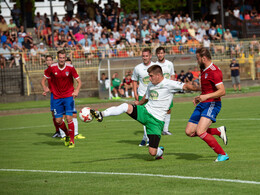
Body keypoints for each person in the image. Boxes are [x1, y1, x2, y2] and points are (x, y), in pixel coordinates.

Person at [90, 65, 200, 159]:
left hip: (156, 122)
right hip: (145, 112)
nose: (149, 78)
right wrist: (137, 104)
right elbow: (145, 99)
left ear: (158, 75)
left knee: (152, 152)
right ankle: (101, 114)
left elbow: (186, 86)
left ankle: (159, 151)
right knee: (125, 106)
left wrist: (202, 90)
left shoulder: (169, 84)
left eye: (151, 76)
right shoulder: (151, 84)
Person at [185, 47, 229, 162]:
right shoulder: (203, 69)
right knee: (189, 132)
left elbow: (222, 91)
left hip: (213, 104)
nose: (197, 60)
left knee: (200, 131)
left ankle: (222, 154)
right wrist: (200, 96)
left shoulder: (214, 71)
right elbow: (207, 89)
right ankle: (217, 131)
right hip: (203, 103)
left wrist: (206, 96)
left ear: (204, 58)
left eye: (197, 58)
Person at [41, 50, 82, 148]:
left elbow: (79, 81)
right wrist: (44, 87)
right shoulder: (52, 68)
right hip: (56, 97)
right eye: (60, 58)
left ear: (65, 58)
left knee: (69, 118)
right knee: (58, 120)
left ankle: (72, 140)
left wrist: (76, 91)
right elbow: (43, 80)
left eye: (63, 58)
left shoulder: (71, 68)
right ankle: (67, 135)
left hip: (68, 96)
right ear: (57, 58)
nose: (62, 60)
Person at [132, 48, 155, 146]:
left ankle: (145, 137)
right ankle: (149, 138)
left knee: (151, 116)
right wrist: (135, 94)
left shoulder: (155, 66)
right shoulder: (137, 68)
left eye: (146, 56)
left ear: (150, 56)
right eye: (143, 56)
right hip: (142, 94)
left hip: (153, 95)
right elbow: (134, 81)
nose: (145, 58)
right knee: (144, 116)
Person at [155, 47, 175, 135]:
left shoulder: (169, 64)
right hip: (159, 91)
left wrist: (173, 87)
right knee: (157, 110)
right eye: (158, 53)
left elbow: (172, 75)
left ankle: (165, 129)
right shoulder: (155, 65)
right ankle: (157, 128)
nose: (160, 55)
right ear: (156, 55)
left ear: (164, 54)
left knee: (168, 109)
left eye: (161, 53)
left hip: (168, 90)